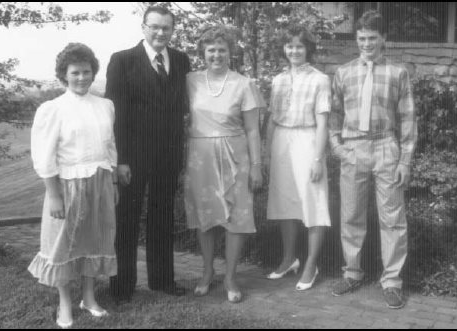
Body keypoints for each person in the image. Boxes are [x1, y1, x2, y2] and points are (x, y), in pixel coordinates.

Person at [329, 10, 417, 309]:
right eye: (361, 38)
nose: (366, 43)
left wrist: (405, 160)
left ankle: (392, 281)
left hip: (385, 148)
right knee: (351, 214)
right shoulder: (343, 73)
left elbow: (407, 119)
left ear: (383, 40)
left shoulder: (398, 73)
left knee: (392, 219)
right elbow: (334, 115)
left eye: (372, 38)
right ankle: (352, 272)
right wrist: (337, 146)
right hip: (353, 148)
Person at [28, 43, 118, 328]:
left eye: (87, 72)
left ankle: (89, 298)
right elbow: (44, 156)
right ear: (64, 76)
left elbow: (110, 147)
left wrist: (112, 180)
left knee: (95, 239)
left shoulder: (105, 105)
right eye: (76, 73)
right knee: (64, 245)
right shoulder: (52, 109)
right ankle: (65, 304)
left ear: (94, 74)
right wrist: (53, 195)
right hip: (67, 186)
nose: (82, 78)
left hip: (100, 181)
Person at [105, 6, 191, 301]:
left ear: (172, 30)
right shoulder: (123, 60)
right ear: (143, 27)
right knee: (126, 218)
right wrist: (121, 160)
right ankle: (122, 286)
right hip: (133, 156)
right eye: (154, 27)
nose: (160, 33)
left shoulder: (181, 60)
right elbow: (115, 114)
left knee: (163, 216)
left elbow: (182, 109)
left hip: (168, 155)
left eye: (166, 28)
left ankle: (163, 280)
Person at [184, 26, 265, 303]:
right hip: (200, 157)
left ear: (231, 53)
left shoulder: (244, 84)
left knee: (236, 219)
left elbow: (253, 130)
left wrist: (256, 165)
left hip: (236, 155)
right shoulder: (190, 80)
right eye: (211, 50)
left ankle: (230, 276)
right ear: (203, 53)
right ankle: (207, 272)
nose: (216, 55)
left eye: (222, 49)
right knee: (205, 219)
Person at [265, 26, 332, 291]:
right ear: (285, 49)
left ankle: (311, 264)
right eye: (290, 46)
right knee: (285, 204)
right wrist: (266, 151)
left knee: (313, 203)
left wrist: (318, 158)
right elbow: (272, 118)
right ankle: (289, 258)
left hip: (308, 141)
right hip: (282, 140)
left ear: (308, 50)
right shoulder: (278, 79)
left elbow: (323, 122)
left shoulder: (320, 79)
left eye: (299, 46)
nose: (294, 50)